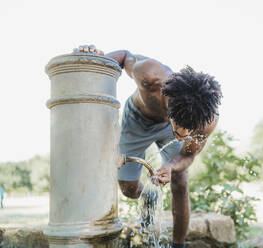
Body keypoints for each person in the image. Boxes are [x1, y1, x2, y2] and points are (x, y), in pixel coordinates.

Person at [76, 45, 222, 248]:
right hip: (138, 119)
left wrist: (170, 167)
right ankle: (149, 196)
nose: (185, 137)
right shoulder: (150, 76)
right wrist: (98, 59)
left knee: (181, 179)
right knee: (128, 188)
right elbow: (124, 56)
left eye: (191, 130)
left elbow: (187, 157)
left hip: (167, 126)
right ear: (170, 106)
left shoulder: (206, 120)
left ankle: (178, 245)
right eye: (182, 129)